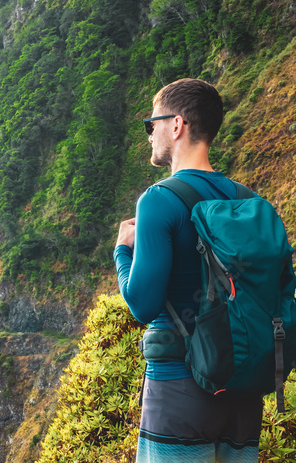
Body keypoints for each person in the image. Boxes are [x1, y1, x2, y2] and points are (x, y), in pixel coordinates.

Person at [113, 78, 263, 463]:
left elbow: (142, 306)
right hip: (244, 392)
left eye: (152, 124)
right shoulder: (248, 201)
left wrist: (122, 251)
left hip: (180, 387)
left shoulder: (159, 200)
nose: (149, 135)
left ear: (176, 125)